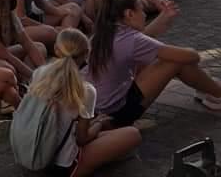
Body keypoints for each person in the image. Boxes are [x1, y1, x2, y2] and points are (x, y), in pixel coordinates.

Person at [88, 0, 221, 126]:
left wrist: (164, 17)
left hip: (97, 110)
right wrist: (186, 51)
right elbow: (192, 56)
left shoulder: (102, 34)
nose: (145, 15)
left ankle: (209, 91)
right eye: (142, 10)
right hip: (114, 114)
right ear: (129, 14)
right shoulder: (132, 39)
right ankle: (220, 95)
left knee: (155, 58)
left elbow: (143, 41)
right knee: (174, 62)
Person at [25, 29, 141, 177]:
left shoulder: (39, 74)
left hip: (33, 152)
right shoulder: (85, 90)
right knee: (132, 134)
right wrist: (98, 123)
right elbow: (82, 139)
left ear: (55, 50)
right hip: (63, 166)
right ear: (86, 54)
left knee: (98, 128)